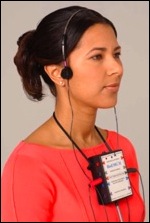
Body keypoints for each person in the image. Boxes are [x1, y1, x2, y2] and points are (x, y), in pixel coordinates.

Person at [1, 5, 145, 222]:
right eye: (97, 56)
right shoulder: (28, 165)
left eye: (116, 54)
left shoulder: (121, 146)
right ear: (59, 73)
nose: (117, 68)